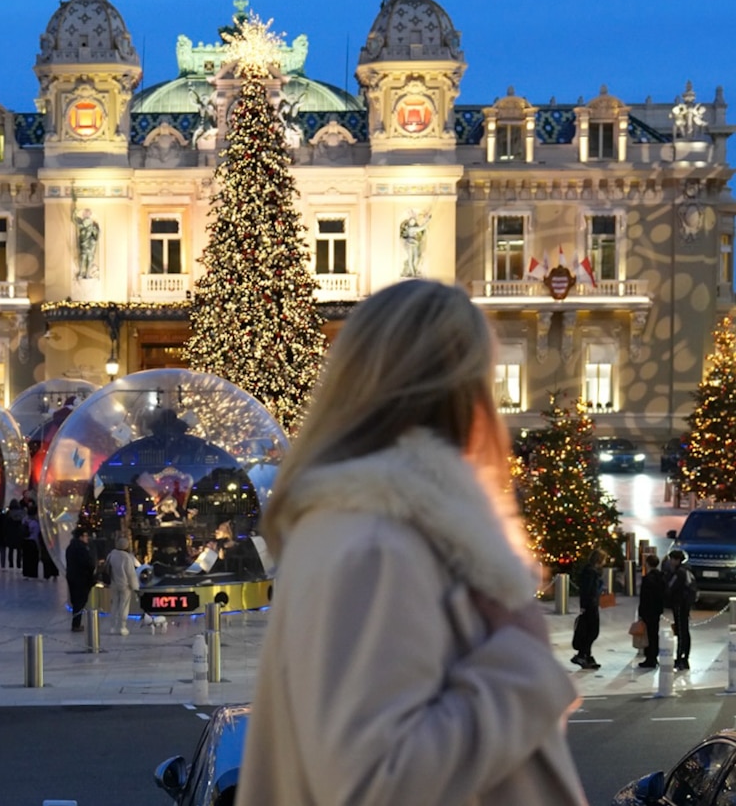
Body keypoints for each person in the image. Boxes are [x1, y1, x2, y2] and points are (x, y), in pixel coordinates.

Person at [235, 279, 586, 806]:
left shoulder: (362, 526)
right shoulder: (378, 542)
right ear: (462, 389)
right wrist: (523, 662)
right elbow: (379, 783)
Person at [570, 550, 605, 670]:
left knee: (589, 631)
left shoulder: (590, 571)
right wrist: (585, 605)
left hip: (590, 604)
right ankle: (582, 654)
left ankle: (586, 655)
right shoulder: (591, 573)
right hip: (590, 605)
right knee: (592, 631)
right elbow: (589, 590)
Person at [665, 549, 697, 670]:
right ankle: (683, 657)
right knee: (684, 630)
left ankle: (681, 658)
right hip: (685, 604)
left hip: (680, 604)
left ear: (677, 560)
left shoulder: (679, 573)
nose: (670, 562)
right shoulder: (687, 570)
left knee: (681, 631)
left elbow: (670, 587)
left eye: (672, 559)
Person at [103, 535, 141, 636]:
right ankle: (122, 627)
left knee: (114, 604)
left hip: (114, 584)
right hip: (125, 586)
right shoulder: (127, 558)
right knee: (124, 606)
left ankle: (112, 627)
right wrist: (136, 588)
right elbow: (131, 574)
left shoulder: (111, 555)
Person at [637, 553, 667, 668]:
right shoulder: (661, 577)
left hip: (648, 610)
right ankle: (654, 656)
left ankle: (650, 658)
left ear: (647, 564)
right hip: (657, 609)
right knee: (654, 633)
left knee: (649, 634)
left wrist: (641, 612)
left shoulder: (647, 579)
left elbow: (644, 598)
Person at [64, 527, 96, 632]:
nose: (87, 538)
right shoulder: (81, 549)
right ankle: (76, 624)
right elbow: (87, 563)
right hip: (81, 578)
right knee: (80, 601)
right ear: (81, 537)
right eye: (86, 536)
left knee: (77, 601)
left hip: (72, 577)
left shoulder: (71, 547)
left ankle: (76, 623)